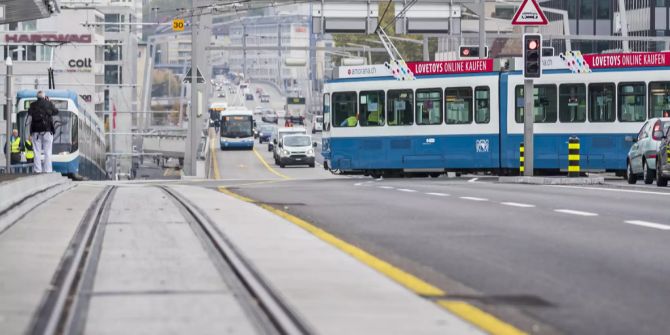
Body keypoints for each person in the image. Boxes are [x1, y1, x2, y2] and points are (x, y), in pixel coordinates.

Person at [28, 91, 59, 173]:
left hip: (36, 131)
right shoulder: (48, 104)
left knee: (36, 151)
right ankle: (48, 170)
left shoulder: (33, 105)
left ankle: (37, 170)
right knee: (47, 151)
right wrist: (49, 102)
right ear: (44, 97)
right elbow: (56, 111)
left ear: (37, 97)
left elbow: (29, 114)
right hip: (47, 131)